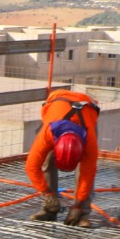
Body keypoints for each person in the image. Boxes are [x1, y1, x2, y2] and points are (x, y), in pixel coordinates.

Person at [26, 89, 100, 227]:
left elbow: (87, 174)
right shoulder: (47, 135)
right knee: (46, 161)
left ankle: (82, 213)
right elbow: (31, 167)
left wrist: (78, 204)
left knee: (86, 170)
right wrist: (47, 193)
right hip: (57, 105)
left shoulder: (89, 142)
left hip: (87, 107)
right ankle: (49, 208)